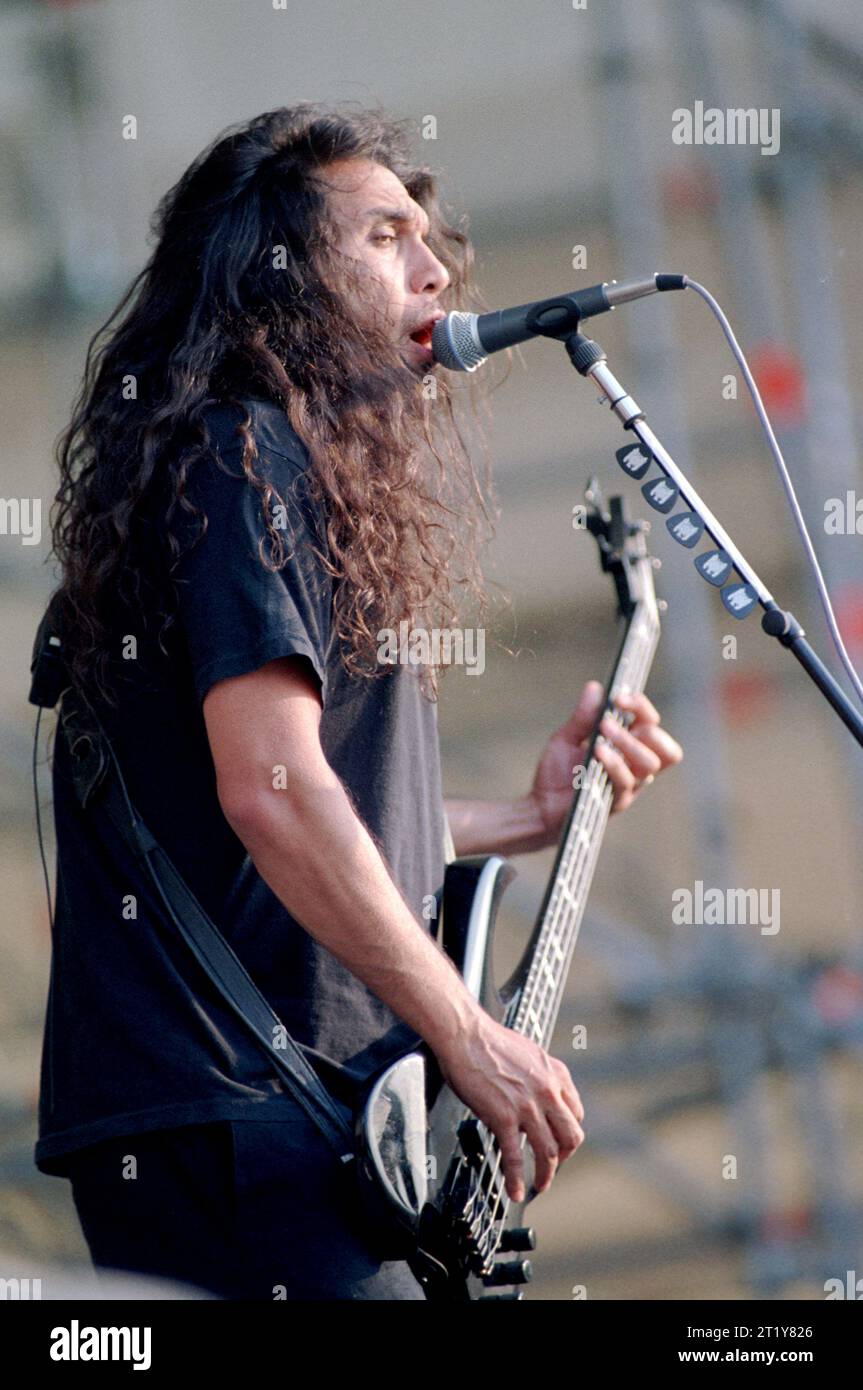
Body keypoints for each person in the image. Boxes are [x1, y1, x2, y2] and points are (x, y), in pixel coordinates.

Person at [35, 103, 683, 1300]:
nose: (434, 268)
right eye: (386, 236)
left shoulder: (274, 477)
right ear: (270, 276)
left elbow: (284, 823)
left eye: (427, 238)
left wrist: (516, 817)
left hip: (285, 1109)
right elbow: (273, 795)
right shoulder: (238, 457)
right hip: (241, 1105)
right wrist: (468, 1032)